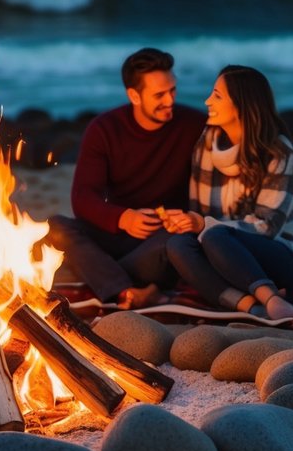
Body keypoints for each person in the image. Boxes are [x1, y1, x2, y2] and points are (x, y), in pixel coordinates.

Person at [45, 48, 206, 308]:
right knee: (56, 225)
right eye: (159, 95)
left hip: (163, 239)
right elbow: (83, 197)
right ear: (134, 95)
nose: (170, 100)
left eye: (172, 90)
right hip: (119, 233)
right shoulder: (105, 129)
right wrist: (123, 218)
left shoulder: (194, 125)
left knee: (180, 243)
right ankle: (131, 288)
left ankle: (113, 283)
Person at [160, 65, 293, 320]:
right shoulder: (207, 143)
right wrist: (187, 222)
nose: (207, 101)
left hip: (280, 262)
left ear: (242, 103)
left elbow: (268, 226)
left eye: (217, 95)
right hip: (225, 259)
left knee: (215, 234)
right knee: (177, 244)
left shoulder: (278, 152)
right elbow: (200, 215)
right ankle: (251, 307)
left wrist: (205, 225)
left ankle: (271, 298)